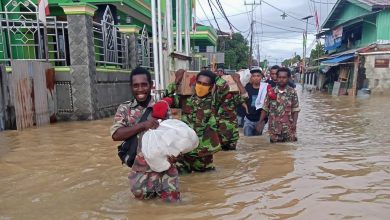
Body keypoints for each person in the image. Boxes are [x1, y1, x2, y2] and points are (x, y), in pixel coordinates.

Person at [110, 67, 180, 202]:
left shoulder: (162, 107)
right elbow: (116, 135)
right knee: (142, 210)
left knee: (172, 209)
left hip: (165, 170)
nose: (140, 89)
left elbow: (172, 136)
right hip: (139, 172)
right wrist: (143, 125)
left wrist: (176, 155)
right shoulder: (125, 109)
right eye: (136, 85)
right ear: (131, 87)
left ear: (151, 85)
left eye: (144, 85)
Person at [166, 70, 228, 173]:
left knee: (206, 182)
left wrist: (215, 76)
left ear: (211, 87)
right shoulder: (184, 99)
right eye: (199, 83)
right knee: (183, 180)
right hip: (185, 151)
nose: (201, 86)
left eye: (205, 84)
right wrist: (177, 81)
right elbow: (165, 97)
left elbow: (224, 88)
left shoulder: (213, 101)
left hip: (203, 153)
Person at [257, 67, 300, 143]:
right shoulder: (271, 92)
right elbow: (265, 108)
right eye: (279, 77)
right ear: (276, 78)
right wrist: (260, 122)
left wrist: (294, 124)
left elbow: (295, 109)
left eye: (284, 77)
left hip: (289, 128)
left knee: (289, 151)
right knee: (274, 150)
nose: (281, 79)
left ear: (288, 78)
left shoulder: (292, 92)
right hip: (274, 129)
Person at [215, 69, 248, 151]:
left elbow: (245, 97)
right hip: (217, 131)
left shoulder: (233, 95)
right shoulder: (212, 96)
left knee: (231, 153)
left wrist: (237, 81)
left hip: (231, 131)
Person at [243, 67, 263, 136]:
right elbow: (241, 99)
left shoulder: (265, 88)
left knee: (258, 141)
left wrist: (261, 122)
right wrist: (246, 108)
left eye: (258, 76)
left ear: (261, 77)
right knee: (248, 139)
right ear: (251, 78)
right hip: (249, 119)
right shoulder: (247, 87)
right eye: (254, 76)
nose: (256, 78)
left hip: (260, 120)